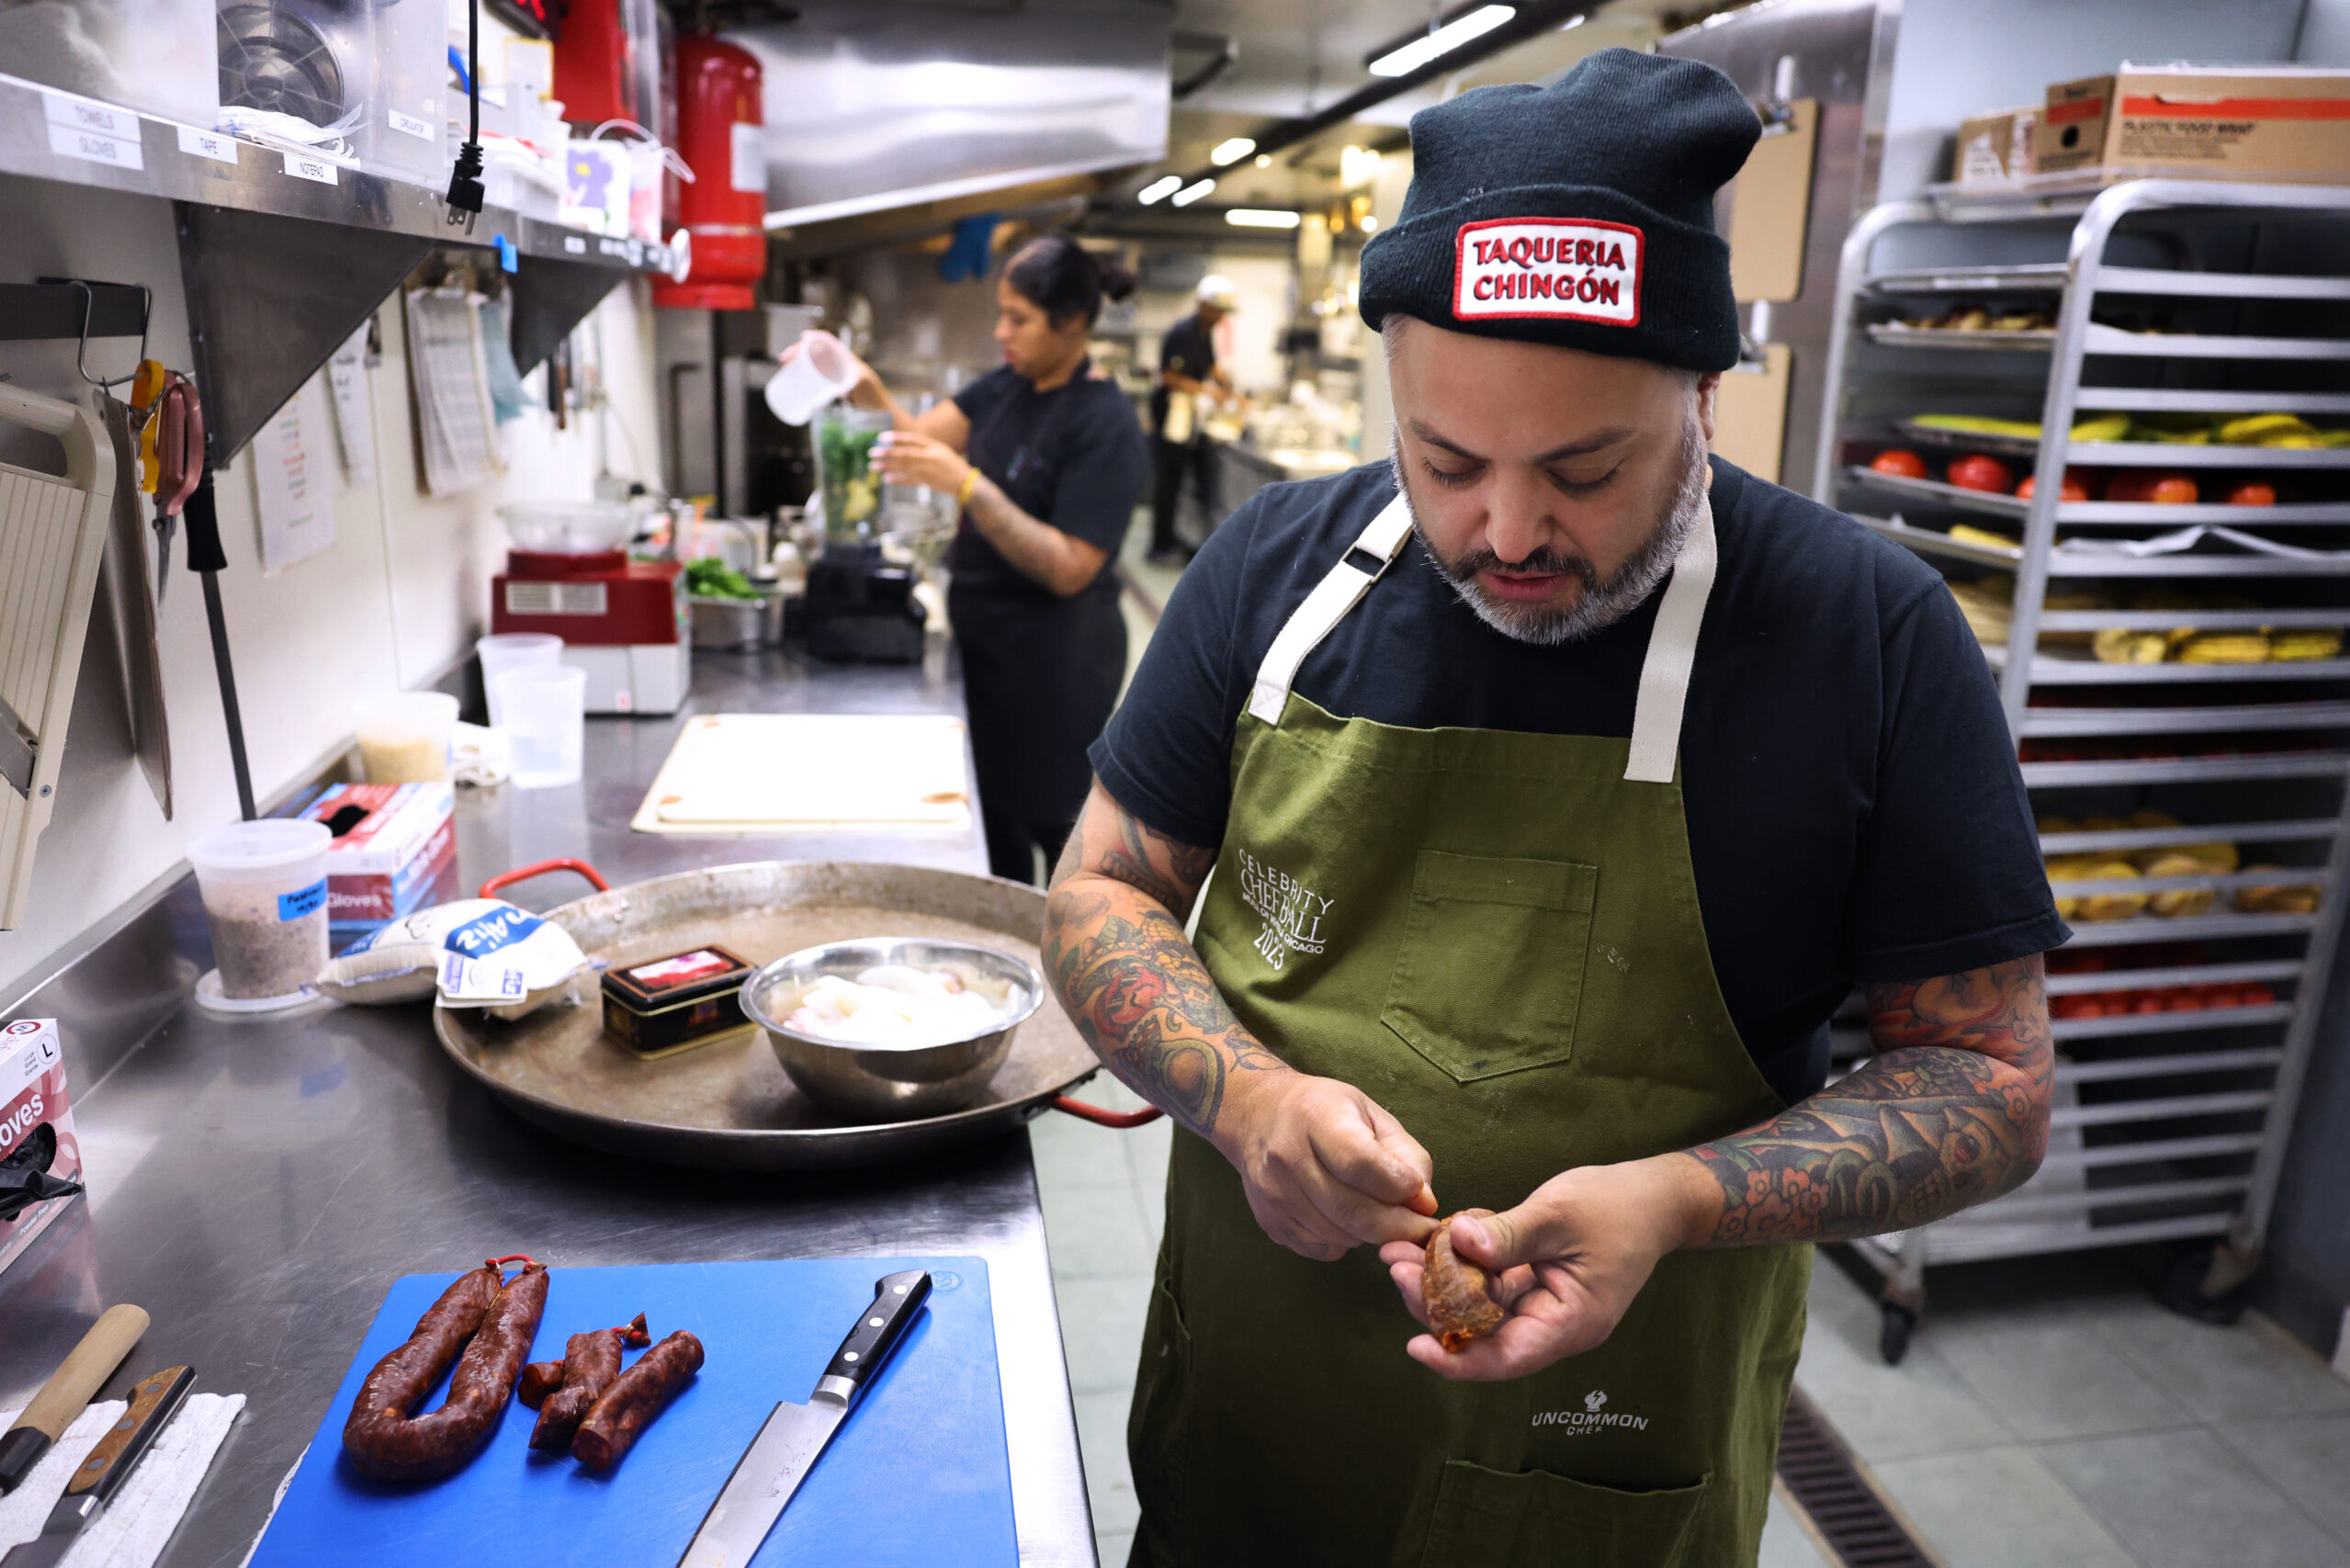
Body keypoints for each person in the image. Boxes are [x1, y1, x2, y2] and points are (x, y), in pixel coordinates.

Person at [1041, 50, 2063, 1566]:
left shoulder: (1869, 636)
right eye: (1446, 459)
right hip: (1249, 1433)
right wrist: (1248, 1103)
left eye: (1587, 466)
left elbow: (1991, 1079)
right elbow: (1100, 891)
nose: (1509, 531)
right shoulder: (1273, 571)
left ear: (1702, 391)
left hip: (1608, 1461)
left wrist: (1678, 1198)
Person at [810, 235, 1149, 884]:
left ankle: (1055, 969)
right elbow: (910, 441)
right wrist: (862, 384)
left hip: (1055, 668)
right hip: (986, 651)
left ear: (1073, 321)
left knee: (1055, 824)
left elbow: (1070, 565)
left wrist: (968, 485)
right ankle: (1002, 955)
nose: (1002, 332)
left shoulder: (1104, 423)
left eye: (1017, 318)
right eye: (1001, 313)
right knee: (991, 820)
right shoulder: (1009, 386)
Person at [1147, 274, 1238, 563]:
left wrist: (1224, 382)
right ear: (1203, 305)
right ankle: (1160, 546)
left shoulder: (1204, 331)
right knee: (1169, 480)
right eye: (1217, 310)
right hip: (1171, 414)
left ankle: (1189, 539)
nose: (1220, 316)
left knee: (1197, 479)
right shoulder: (1183, 332)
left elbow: (1209, 365)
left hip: (1190, 419)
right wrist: (1207, 390)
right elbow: (1170, 376)